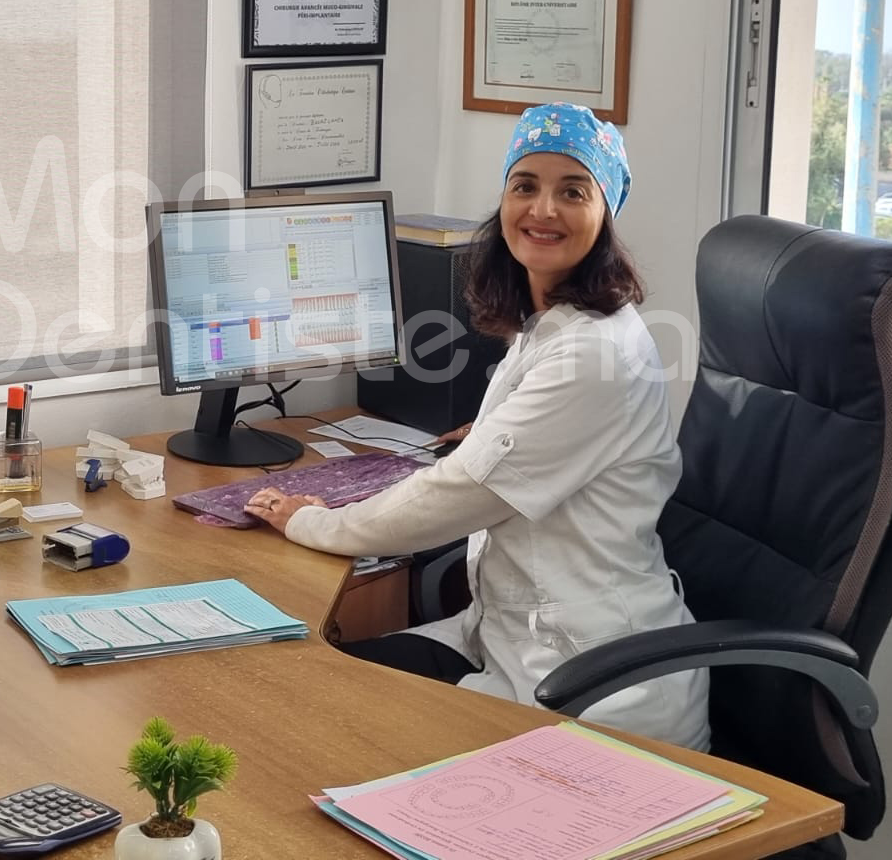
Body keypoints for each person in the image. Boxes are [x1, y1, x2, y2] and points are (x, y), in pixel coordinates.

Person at [243, 102, 710, 750]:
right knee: (307, 693)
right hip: (513, 644)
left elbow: (458, 494)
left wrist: (311, 522)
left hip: (600, 693)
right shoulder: (553, 326)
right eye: (525, 185)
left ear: (605, 214)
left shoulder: (594, 354)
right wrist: (503, 433)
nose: (542, 209)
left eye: (573, 191)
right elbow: (534, 444)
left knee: (316, 722)